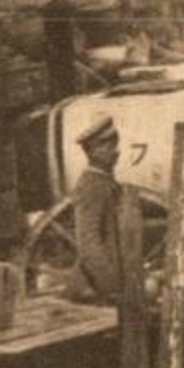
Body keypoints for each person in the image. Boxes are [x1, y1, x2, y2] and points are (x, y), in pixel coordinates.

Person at [69, 116, 124, 304]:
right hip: (94, 289)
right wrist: (115, 287)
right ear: (92, 152)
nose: (116, 152)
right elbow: (88, 245)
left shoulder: (105, 181)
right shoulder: (91, 186)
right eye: (108, 147)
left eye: (115, 145)